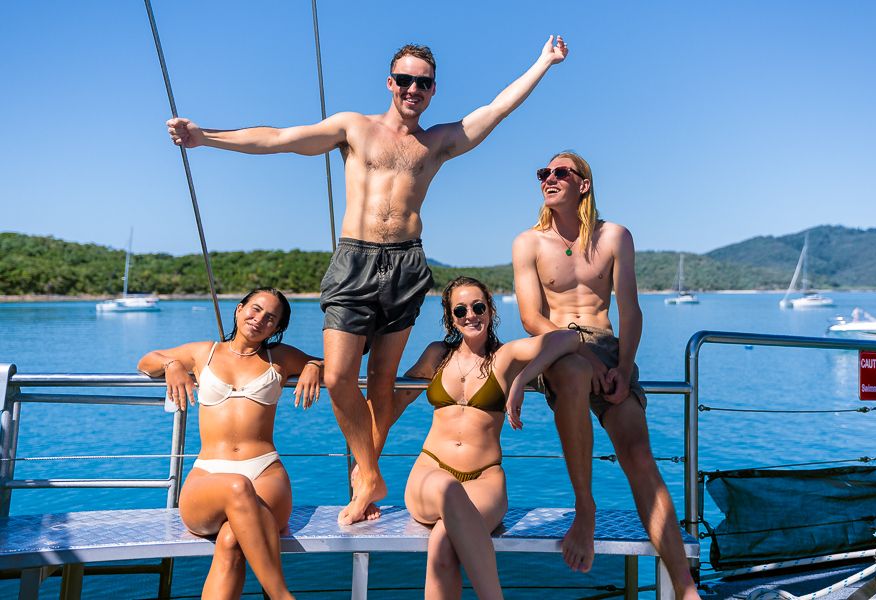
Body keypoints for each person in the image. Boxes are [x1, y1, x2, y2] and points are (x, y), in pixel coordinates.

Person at [166, 37, 569, 524]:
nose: (412, 88)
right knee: (338, 378)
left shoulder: (437, 141)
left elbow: (496, 109)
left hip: (406, 265)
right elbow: (278, 138)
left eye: (422, 81)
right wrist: (204, 136)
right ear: (390, 83)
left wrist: (543, 62)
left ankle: (365, 487)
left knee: (381, 384)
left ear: (433, 89)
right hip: (354, 261)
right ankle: (369, 470)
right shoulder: (353, 128)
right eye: (404, 79)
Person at [512, 152, 701, 598]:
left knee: (639, 454)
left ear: (584, 184)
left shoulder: (615, 236)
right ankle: (585, 508)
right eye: (544, 173)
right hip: (560, 347)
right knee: (576, 372)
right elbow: (530, 318)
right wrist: (581, 351)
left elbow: (630, 309)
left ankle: (685, 585)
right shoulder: (529, 243)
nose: (549, 179)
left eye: (561, 173)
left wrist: (620, 366)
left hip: (611, 350)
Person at [398, 276, 580, 599]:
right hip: (430, 472)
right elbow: (395, 402)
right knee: (446, 486)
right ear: (450, 318)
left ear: (490, 309)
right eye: (460, 310)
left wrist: (523, 377)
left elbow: (568, 339)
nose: (471, 315)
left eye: (478, 306)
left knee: (442, 541)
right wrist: (366, 461)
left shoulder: (505, 357)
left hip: (485, 480)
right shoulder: (436, 355)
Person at [137, 288, 323, 600]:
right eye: (255, 309)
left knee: (231, 542)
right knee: (236, 486)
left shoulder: (281, 357)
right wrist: (172, 366)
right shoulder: (204, 353)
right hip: (209, 475)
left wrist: (314, 366)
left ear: (276, 329)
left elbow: (333, 367)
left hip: (266, 473)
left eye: (270, 318)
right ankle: (282, 596)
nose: (259, 319)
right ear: (239, 310)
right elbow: (146, 361)